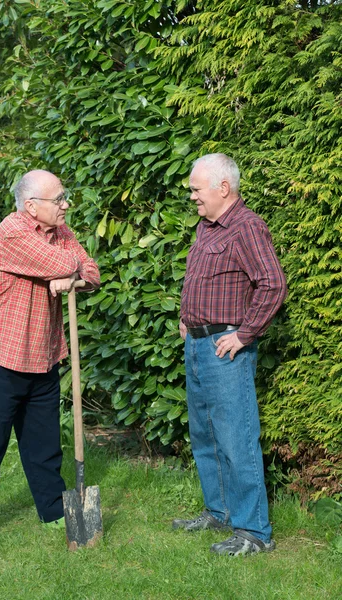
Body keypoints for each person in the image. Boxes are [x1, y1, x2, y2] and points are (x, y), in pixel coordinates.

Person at [0, 169, 100, 547]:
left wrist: (71, 273)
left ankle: (53, 509)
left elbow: (92, 271)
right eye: (59, 199)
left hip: (43, 354)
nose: (66, 204)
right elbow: (66, 265)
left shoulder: (62, 234)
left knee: (44, 443)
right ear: (32, 206)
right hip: (0, 356)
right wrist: (69, 270)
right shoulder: (11, 232)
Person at [173, 154, 287, 556]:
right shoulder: (208, 226)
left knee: (236, 437)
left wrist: (245, 333)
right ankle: (219, 511)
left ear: (224, 188)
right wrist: (188, 318)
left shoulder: (247, 226)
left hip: (225, 347)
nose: (192, 197)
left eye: (196, 189)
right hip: (198, 343)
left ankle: (254, 532)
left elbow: (272, 284)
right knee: (205, 434)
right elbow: (204, 280)